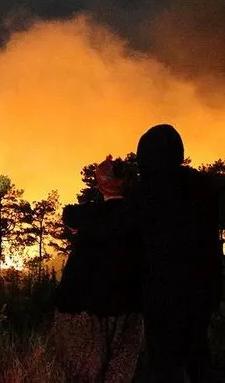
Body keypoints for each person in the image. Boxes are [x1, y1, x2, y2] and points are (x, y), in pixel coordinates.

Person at [135, 124, 223, 383]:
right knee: (198, 355)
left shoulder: (150, 191)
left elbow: (119, 220)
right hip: (203, 290)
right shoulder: (203, 186)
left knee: (165, 364)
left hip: (162, 294)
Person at [55, 156, 144, 383]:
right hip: (126, 306)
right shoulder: (140, 215)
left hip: (80, 307)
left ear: (100, 184)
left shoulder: (86, 215)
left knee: (83, 376)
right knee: (118, 374)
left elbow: (69, 214)